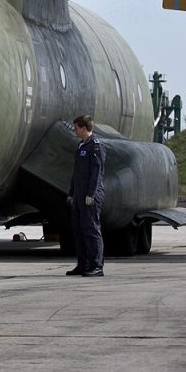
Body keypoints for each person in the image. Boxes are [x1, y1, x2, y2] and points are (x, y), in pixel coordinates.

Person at [66, 115, 106, 277]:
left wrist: (91, 194)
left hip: (90, 196)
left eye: (76, 128)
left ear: (84, 128)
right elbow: (77, 173)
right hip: (79, 196)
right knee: (78, 230)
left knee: (91, 230)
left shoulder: (95, 146)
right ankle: (83, 264)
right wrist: (71, 193)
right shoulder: (82, 145)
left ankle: (97, 265)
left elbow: (96, 172)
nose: (74, 131)